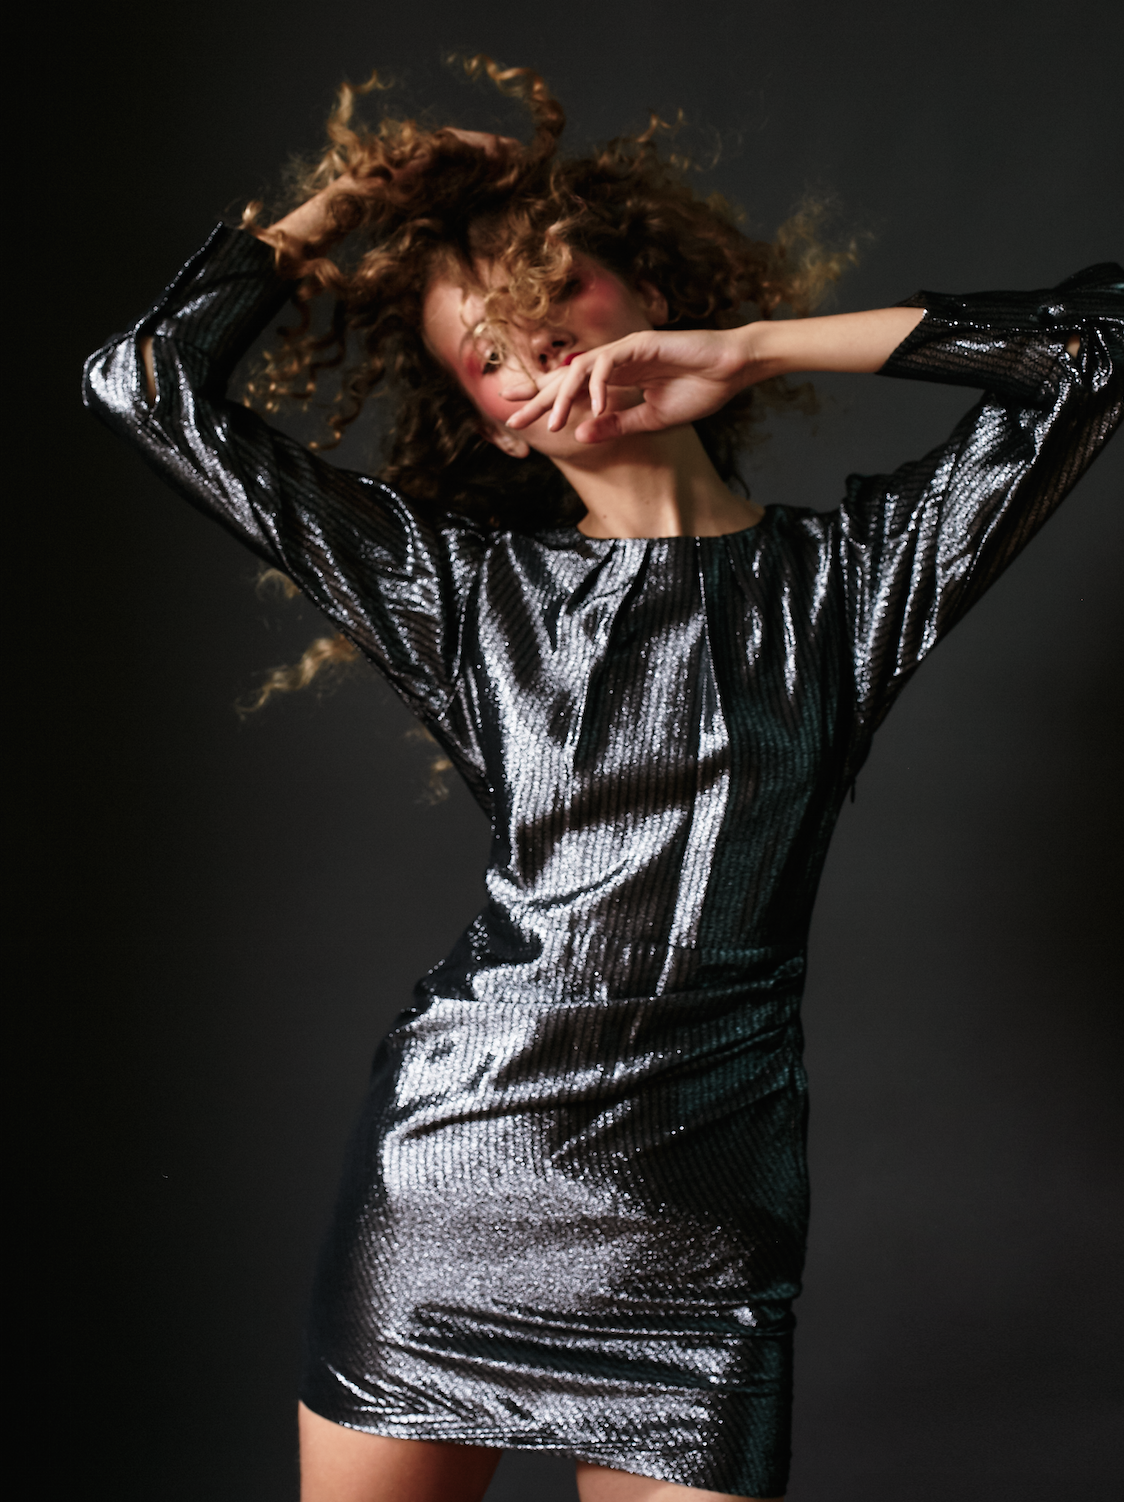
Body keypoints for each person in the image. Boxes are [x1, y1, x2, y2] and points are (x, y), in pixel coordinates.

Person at [82, 57, 1121, 1502]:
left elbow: (1099, 345)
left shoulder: (850, 588)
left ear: (646, 291)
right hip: (458, 1175)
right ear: (494, 423)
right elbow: (141, 384)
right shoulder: (462, 596)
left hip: (703, 1219)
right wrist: (352, 202)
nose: (536, 346)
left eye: (553, 288)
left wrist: (755, 350)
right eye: (489, 355)